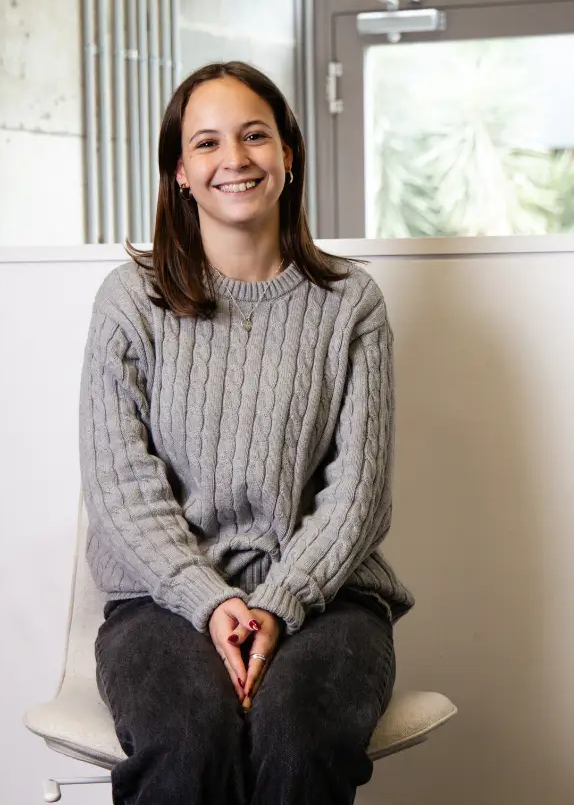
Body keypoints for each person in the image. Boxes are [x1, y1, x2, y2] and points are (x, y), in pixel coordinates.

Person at [80, 60, 414, 805]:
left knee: (298, 733)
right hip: (161, 603)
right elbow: (121, 488)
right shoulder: (131, 302)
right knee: (188, 736)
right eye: (207, 144)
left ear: (288, 155)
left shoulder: (351, 304)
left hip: (326, 598)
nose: (234, 159)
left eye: (254, 136)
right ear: (180, 174)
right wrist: (209, 597)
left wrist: (277, 603)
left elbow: (356, 496)